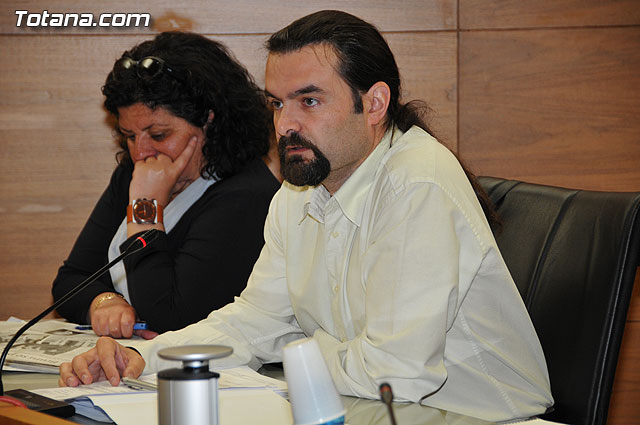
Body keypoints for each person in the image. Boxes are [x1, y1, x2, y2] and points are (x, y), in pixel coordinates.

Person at [59, 11, 553, 421]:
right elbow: (255, 321)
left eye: (309, 101)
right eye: (277, 103)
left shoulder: (417, 184)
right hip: (371, 407)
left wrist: (291, 348)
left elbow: (396, 373)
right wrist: (142, 356)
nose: (286, 124)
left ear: (374, 104)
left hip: (480, 415)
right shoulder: (301, 187)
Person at [51, 31, 281, 339]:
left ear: (209, 121)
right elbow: (71, 279)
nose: (141, 153)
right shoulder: (133, 175)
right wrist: (103, 302)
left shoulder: (246, 195)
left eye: (158, 135)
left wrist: (145, 208)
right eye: (129, 136)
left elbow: (169, 316)